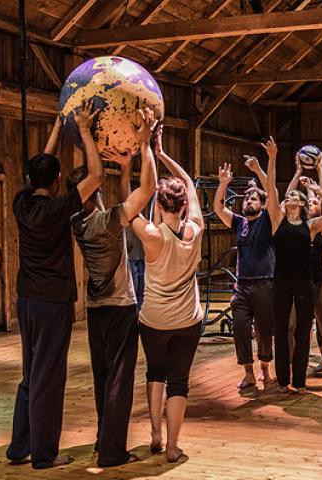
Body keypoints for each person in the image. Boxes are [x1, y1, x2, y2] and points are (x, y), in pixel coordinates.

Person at [6, 101, 104, 469]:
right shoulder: (59, 207)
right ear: (60, 179)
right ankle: (44, 455)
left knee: (31, 373)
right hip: (52, 304)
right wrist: (83, 132)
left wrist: (56, 126)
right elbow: (95, 175)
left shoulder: (22, 203)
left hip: (26, 301)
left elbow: (42, 167)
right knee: (49, 377)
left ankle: (19, 448)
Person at [68, 108, 157, 467]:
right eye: (95, 189)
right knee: (120, 377)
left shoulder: (77, 220)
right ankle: (112, 452)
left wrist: (124, 167)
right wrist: (146, 142)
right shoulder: (104, 222)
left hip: (94, 309)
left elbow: (126, 205)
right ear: (91, 197)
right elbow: (146, 192)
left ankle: (101, 440)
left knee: (102, 375)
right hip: (119, 307)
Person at [131, 125, 203, 463]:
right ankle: (173, 446)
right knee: (179, 380)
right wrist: (163, 155)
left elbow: (132, 205)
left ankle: (156, 434)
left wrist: (146, 151)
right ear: (184, 208)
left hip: (154, 321)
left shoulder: (151, 235)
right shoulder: (196, 230)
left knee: (154, 372)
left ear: (160, 207)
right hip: (187, 321)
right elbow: (189, 184)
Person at [266, 137, 322, 394]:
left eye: (294, 197)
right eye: (287, 196)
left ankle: (299, 382)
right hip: (281, 283)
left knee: (302, 332)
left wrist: (319, 189)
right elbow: (270, 189)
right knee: (281, 331)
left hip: (304, 282)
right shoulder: (277, 220)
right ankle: (282, 381)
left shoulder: (310, 226)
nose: (289, 198)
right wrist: (273, 158)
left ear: (300, 203)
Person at [213, 156, 275, 395]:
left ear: (261, 203)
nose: (248, 200)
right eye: (246, 198)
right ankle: (248, 373)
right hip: (242, 286)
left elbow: (271, 192)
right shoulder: (239, 222)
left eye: (253, 198)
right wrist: (223, 184)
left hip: (265, 284)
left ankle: (265, 368)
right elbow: (219, 207)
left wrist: (258, 169)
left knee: (264, 330)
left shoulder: (268, 219)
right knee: (240, 326)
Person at [288, 156, 322, 377]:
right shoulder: (292, 223)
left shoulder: (320, 227)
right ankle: (291, 367)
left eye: (314, 202)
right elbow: (286, 198)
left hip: (319, 282)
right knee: (292, 328)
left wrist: (319, 178)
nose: (311, 204)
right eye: (308, 202)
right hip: (296, 283)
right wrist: (298, 173)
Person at [127, 226, 146, 308]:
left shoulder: (145, 215)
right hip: (131, 257)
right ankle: (133, 316)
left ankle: (139, 316)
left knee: (141, 291)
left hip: (142, 257)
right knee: (133, 290)